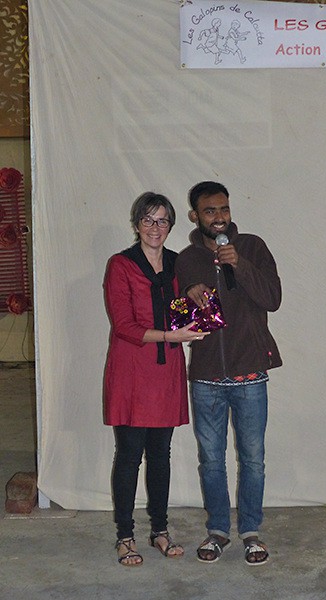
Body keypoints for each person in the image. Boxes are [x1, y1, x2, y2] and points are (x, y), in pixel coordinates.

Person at [175, 181, 282, 566]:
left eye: (224, 209)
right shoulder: (186, 259)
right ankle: (218, 531)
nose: (219, 217)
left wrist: (240, 264)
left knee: (253, 458)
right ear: (195, 216)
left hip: (249, 373)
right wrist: (188, 296)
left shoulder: (251, 247)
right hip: (206, 376)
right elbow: (180, 319)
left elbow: (273, 299)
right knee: (211, 460)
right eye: (210, 211)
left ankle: (251, 531)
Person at [103, 191, 208, 567]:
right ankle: (125, 536)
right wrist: (169, 336)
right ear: (136, 224)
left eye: (162, 220)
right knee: (130, 455)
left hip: (165, 372)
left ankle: (160, 531)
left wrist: (202, 313)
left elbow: (185, 313)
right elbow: (124, 325)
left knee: (161, 455)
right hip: (132, 370)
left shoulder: (179, 265)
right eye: (148, 219)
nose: (155, 227)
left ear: (171, 226)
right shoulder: (121, 265)